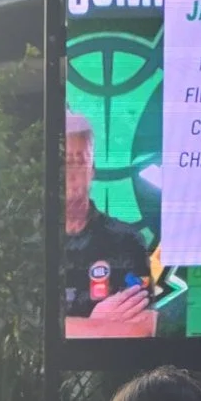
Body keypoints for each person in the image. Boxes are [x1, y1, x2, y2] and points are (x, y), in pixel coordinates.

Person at [61, 110, 154, 323]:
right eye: (64, 162)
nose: (71, 172)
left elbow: (144, 325)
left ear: (91, 170)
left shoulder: (126, 241)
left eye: (79, 160)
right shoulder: (28, 244)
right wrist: (95, 323)